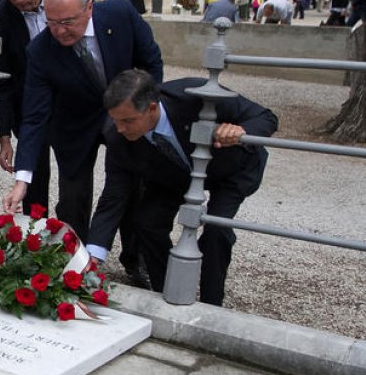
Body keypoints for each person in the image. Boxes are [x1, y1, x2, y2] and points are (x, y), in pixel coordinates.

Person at [86, 69, 278, 305]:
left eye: (127, 120)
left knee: (217, 230)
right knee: (147, 223)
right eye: (115, 120)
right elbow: (113, 197)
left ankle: (211, 303)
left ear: (152, 109)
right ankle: (166, 292)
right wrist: (93, 257)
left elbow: (266, 117)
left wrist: (242, 131)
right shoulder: (117, 136)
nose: (120, 128)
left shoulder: (196, 96)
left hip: (229, 167)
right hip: (172, 174)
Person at [1, 0, 163, 249]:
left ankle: (136, 257)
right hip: (74, 124)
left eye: (67, 22)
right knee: (73, 197)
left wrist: (144, 112)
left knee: (133, 188)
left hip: (126, 112)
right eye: (52, 23)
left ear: (89, 8)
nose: (60, 31)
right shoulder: (40, 50)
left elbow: (151, 62)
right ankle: (74, 258)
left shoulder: (121, 14)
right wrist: (22, 180)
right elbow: (35, 116)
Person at [0, 0, 51, 216]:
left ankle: (77, 245)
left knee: (77, 184)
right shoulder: (1, 17)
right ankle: (37, 237)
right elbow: (0, 80)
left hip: (72, 105)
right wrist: (4, 137)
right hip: (28, 107)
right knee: (32, 178)